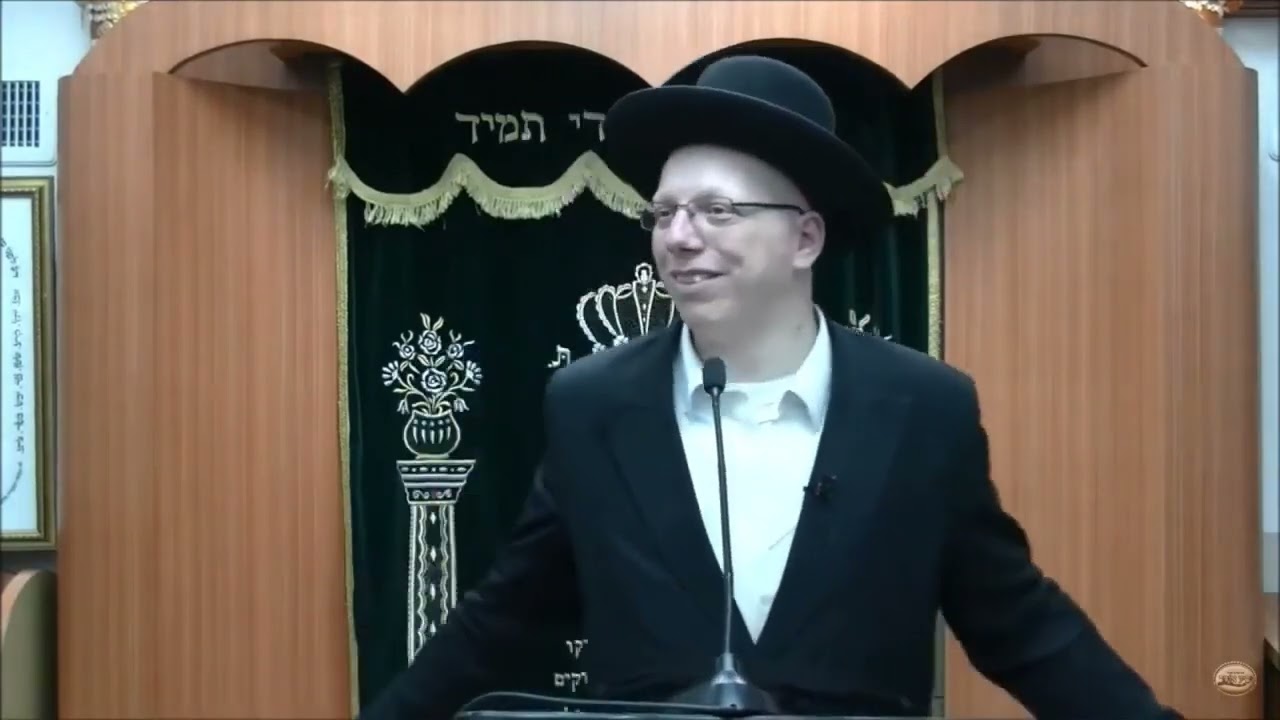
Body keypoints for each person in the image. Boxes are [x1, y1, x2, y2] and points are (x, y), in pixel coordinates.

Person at [359, 55, 1182, 719]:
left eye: (717, 211)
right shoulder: (593, 404)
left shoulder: (921, 408)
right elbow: (503, 618)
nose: (679, 238)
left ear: (805, 239)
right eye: (664, 213)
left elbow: (1020, 626)